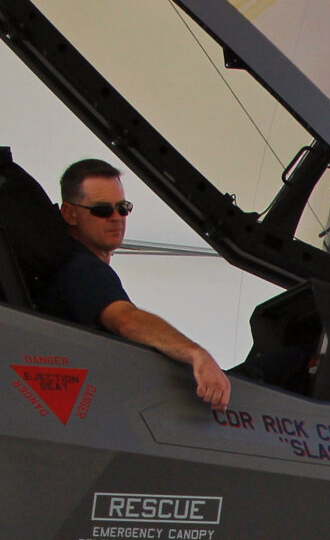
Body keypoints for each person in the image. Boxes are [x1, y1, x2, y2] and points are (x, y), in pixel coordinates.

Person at [43, 159, 230, 409]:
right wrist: (196, 354)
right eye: (101, 210)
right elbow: (126, 320)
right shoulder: (82, 269)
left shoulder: (77, 264)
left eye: (123, 207)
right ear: (70, 214)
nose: (116, 218)